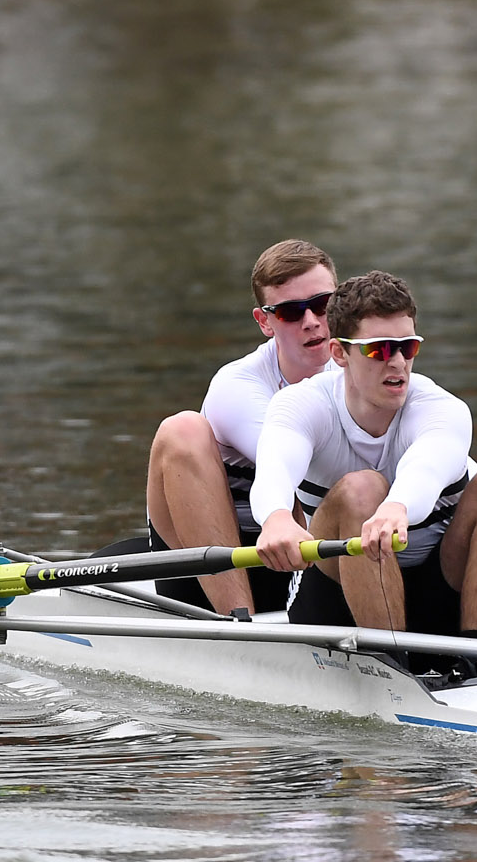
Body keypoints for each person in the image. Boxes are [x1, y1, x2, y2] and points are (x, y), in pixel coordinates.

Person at [250, 271, 477, 646]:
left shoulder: (441, 408)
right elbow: (274, 470)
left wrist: (398, 507)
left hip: (436, 591)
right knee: (362, 489)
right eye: (379, 349)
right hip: (335, 602)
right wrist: (276, 519)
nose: (398, 362)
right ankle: (391, 664)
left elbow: (428, 466)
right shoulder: (301, 405)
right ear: (340, 353)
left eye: (407, 347)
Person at [141, 238, 341, 615]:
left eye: (322, 305)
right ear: (265, 321)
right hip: (212, 571)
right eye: (290, 313)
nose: (312, 322)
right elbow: (296, 467)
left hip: (307, 562)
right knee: (182, 428)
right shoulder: (237, 386)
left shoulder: (368, 372)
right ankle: (239, 624)